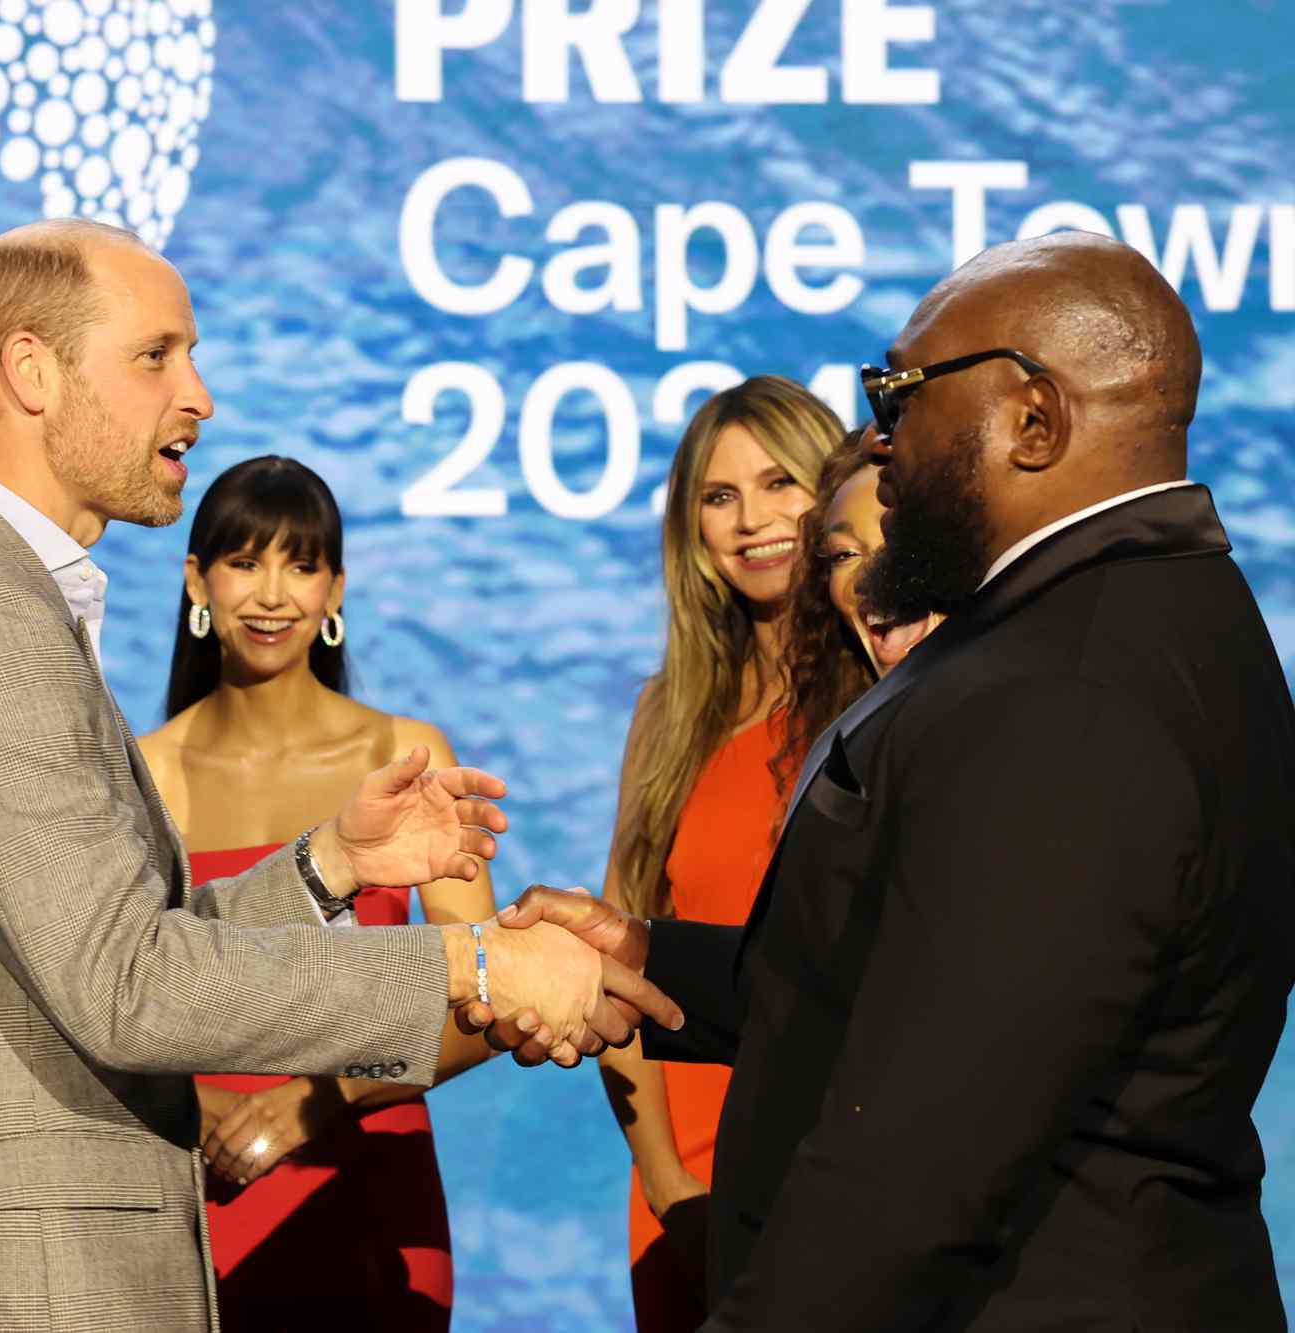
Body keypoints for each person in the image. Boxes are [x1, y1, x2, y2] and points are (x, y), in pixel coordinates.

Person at [0, 218, 675, 1333]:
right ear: (29, 370)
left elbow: (110, 945)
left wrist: (331, 863)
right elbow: (129, 986)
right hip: (26, 1285)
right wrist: (472, 962)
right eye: (155, 355)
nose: (200, 395)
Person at [480, 232, 1295, 1331]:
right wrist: (649, 954)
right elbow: (918, 985)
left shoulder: (1063, 691)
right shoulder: (1149, 615)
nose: (876, 437)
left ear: (1033, 420)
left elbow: (921, 1157)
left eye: (898, 392)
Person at [139, 454, 496, 1330]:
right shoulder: (141, 773)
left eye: (300, 565)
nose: (272, 594)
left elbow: (487, 993)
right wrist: (193, 1105)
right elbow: (109, 987)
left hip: (368, 1181)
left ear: (335, 589)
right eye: (244, 561)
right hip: (198, 1181)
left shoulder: (406, 755)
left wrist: (312, 1102)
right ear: (198, 579)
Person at [592, 376, 851, 1332]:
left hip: (852, 1165)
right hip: (687, 1182)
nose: (753, 520)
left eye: (781, 482)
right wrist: (664, 1182)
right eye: (720, 496)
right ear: (692, 530)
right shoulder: (667, 716)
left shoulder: (893, 692)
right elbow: (615, 966)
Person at [772, 426, 945, 780]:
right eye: (845, 554)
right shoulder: (828, 757)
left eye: (900, 542)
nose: (867, 577)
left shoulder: (1042, 726)